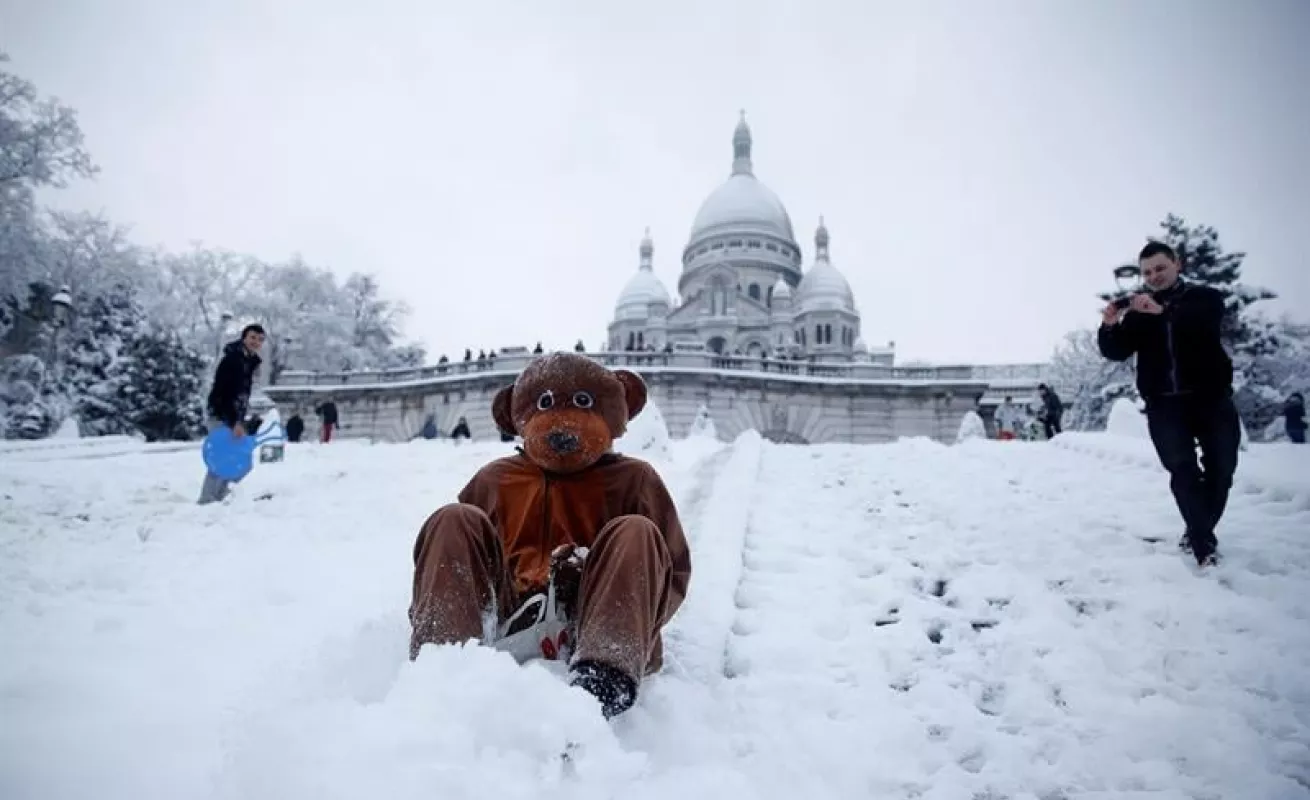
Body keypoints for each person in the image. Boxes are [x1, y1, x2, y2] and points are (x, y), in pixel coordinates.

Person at [1097, 241, 1238, 566]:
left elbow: (1201, 325)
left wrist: (1161, 313)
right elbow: (1116, 351)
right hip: (1164, 405)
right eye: (1147, 272)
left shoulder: (1204, 299)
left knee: (1222, 469)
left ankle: (1196, 529)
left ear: (1178, 264)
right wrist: (1109, 325)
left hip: (1211, 397)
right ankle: (1203, 545)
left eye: (1160, 268)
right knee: (1183, 470)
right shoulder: (1139, 312)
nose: (1154, 276)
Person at [199, 323, 265, 504]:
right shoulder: (232, 360)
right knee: (223, 457)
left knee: (239, 459)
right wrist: (234, 421)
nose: (256, 342)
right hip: (220, 413)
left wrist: (241, 419)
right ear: (244, 337)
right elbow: (224, 393)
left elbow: (242, 396)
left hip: (234, 416)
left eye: (260, 339)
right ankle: (207, 501)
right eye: (252, 337)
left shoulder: (249, 363)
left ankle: (219, 496)